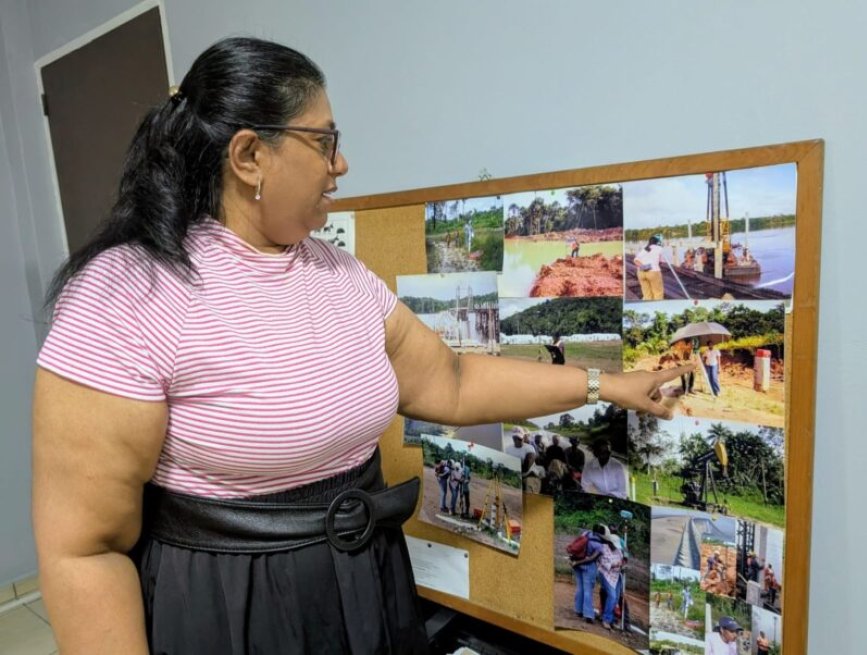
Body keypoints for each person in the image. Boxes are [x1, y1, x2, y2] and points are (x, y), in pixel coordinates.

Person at [31, 36, 691, 655]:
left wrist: (608, 385)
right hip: (231, 606)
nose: (340, 162)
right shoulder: (124, 294)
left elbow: (453, 380)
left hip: (367, 579)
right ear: (248, 156)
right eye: (324, 141)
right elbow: (84, 549)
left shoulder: (340, 274)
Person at [569, 524, 607, 624]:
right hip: (589, 567)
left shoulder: (586, 534)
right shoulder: (599, 545)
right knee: (588, 590)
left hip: (578, 564)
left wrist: (576, 562)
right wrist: (579, 562)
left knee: (580, 588)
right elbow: (592, 559)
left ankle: (579, 610)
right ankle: (588, 615)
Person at [596, 533, 624, 630]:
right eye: (614, 545)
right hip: (605, 574)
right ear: (609, 542)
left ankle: (611, 619)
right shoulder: (603, 549)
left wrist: (622, 565)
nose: (615, 547)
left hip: (616, 576)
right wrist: (617, 564)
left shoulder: (618, 550)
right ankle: (606, 619)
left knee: (615, 598)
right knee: (612, 596)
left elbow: (622, 561)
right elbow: (605, 565)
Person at [633, 235, 667, 300]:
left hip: (641, 273)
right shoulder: (659, 249)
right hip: (653, 272)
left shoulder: (644, 248)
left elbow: (636, 259)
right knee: (658, 293)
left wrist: (643, 266)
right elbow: (661, 261)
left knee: (646, 295)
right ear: (658, 242)